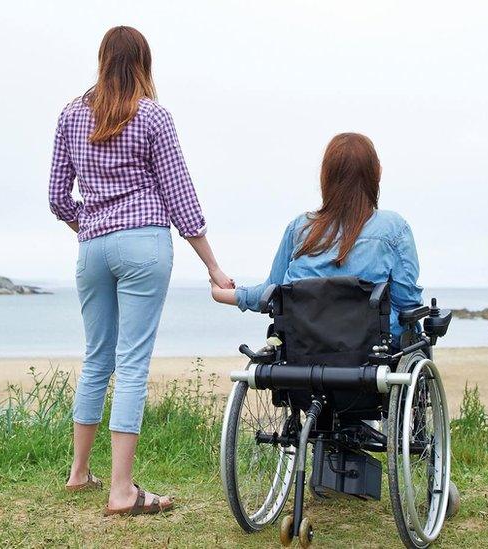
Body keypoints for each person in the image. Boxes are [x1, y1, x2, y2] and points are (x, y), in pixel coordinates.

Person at [48, 25, 232, 516]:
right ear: (144, 63)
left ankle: (78, 473)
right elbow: (181, 196)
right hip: (144, 243)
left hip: (91, 246)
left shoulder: (70, 115)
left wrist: (89, 228)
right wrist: (213, 267)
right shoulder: (152, 115)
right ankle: (122, 491)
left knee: (96, 358)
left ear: (102, 60)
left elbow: (56, 197)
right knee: (131, 363)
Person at [209, 133, 422, 344]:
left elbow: (272, 292)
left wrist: (224, 294)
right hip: (373, 350)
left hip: (303, 347)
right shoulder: (394, 228)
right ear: (376, 174)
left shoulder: (301, 228)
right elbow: (407, 304)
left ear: (326, 177)